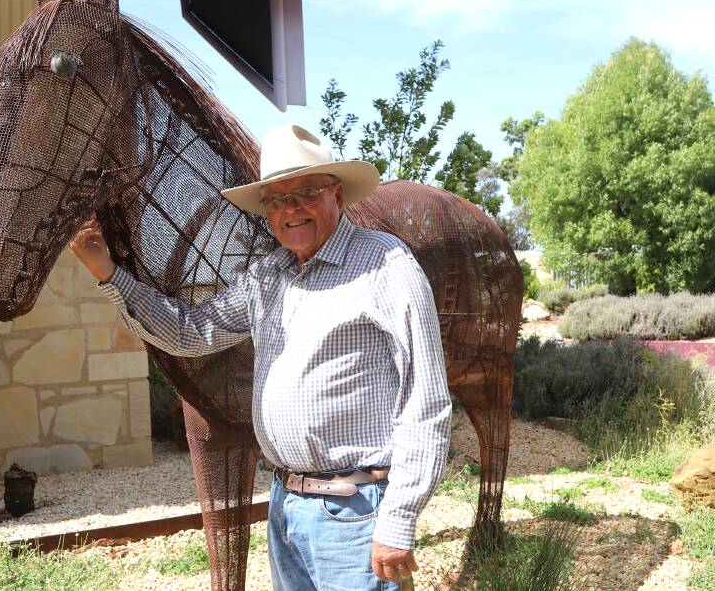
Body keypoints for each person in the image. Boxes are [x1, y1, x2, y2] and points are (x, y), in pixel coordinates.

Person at [69, 124, 450, 590]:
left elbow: (426, 401)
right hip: (285, 505)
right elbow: (191, 332)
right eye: (276, 199)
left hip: (356, 511)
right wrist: (105, 270)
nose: (290, 209)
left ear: (337, 195)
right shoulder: (267, 276)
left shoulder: (385, 264)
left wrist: (399, 518)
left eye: (305, 192)